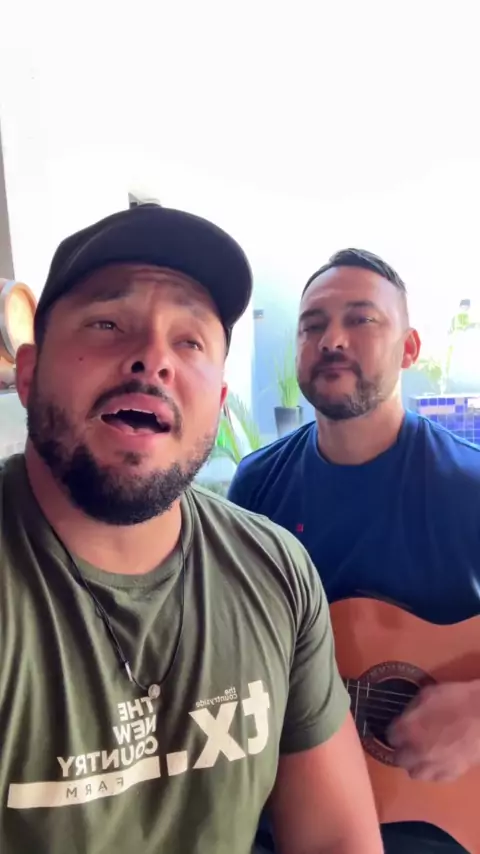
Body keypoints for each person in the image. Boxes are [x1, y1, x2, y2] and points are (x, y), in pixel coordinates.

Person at [0, 208, 383, 854]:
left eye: (190, 342)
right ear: (31, 375)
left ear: (219, 400)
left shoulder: (276, 573)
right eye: (107, 323)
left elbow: (336, 840)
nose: (153, 359)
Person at [228, 248, 480, 854]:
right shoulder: (256, 486)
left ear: (410, 348)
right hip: (289, 824)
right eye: (312, 325)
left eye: (361, 319)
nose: (332, 339)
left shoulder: (469, 487)